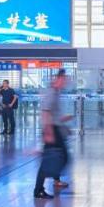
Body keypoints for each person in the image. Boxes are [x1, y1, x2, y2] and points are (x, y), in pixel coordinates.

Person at [34, 69, 73, 199]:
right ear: (58, 79)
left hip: (55, 129)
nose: (65, 82)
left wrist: (64, 122)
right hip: (51, 130)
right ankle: (39, 190)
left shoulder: (56, 92)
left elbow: (54, 114)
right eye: (64, 80)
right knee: (56, 158)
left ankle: (54, 180)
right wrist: (48, 132)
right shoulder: (51, 92)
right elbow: (45, 112)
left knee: (60, 157)